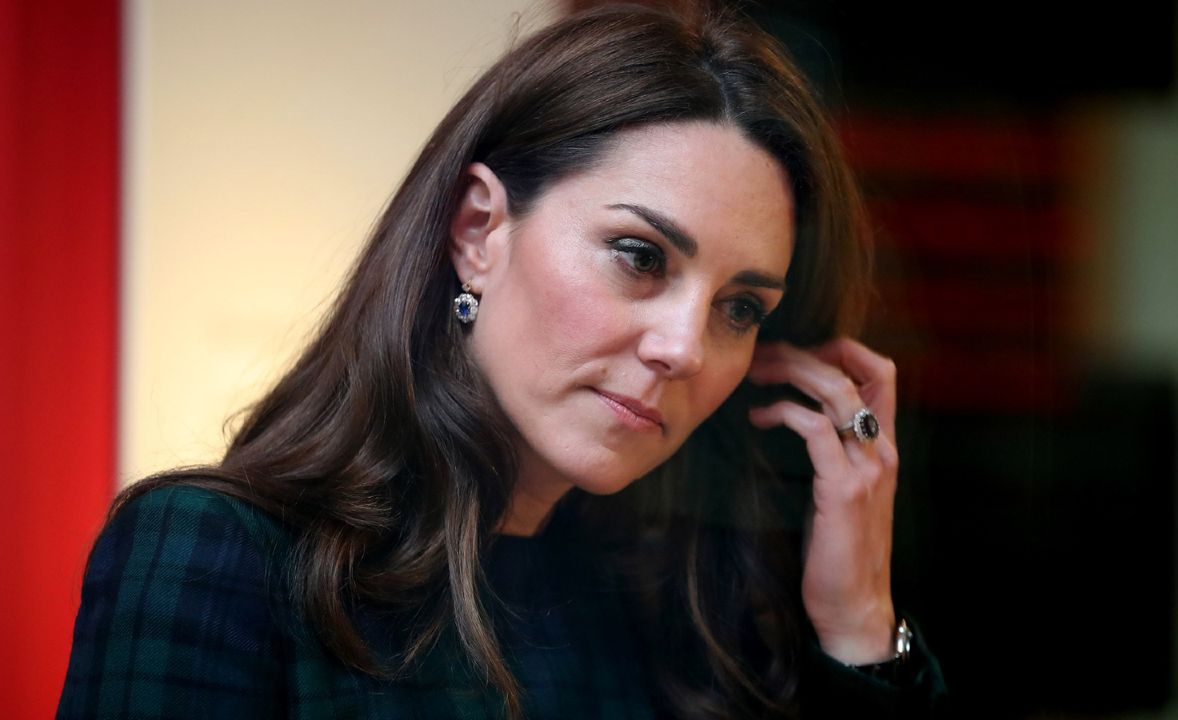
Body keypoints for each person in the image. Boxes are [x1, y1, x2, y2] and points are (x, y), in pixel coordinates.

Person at [58, 4, 946, 718]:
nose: (684, 349)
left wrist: (860, 620)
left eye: (740, 308)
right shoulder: (220, 559)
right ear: (478, 228)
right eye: (640, 256)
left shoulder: (689, 623)